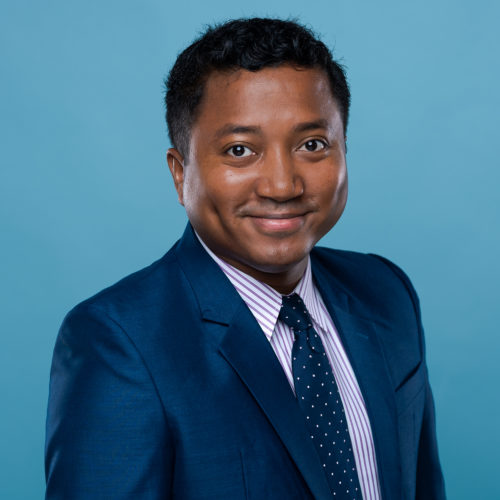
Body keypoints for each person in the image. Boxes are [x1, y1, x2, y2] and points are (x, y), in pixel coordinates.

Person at [45, 18, 446, 500]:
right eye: (240, 150)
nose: (282, 185)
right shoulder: (119, 342)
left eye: (312, 145)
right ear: (180, 174)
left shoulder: (386, 292)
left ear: (344, 149)